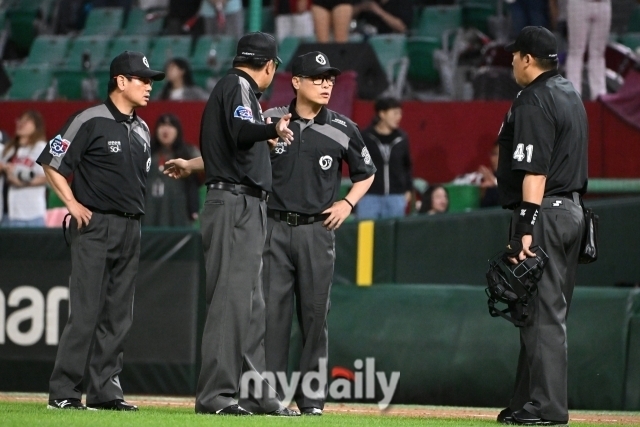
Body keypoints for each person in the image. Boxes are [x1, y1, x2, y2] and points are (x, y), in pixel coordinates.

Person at [163, 32, 299, 416]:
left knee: (251, 306)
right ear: (270, 65)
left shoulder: (235, 91)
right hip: (235, 204)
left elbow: (225, 148)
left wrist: (263, 137)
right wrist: (271, 130)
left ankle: (256, 394)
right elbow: (240, 133)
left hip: (245, 203)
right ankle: (217, 397)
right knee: (230, 302)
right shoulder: (238, 86)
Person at [37, 51, 165, 411]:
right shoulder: (88, 119)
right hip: (95, 225)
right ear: (120, 81)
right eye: (142, 79)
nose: (148, 86)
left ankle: (105, 391)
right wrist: (72, 205)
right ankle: (64, 392)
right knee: (86, 311)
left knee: (119, 315)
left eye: (150, 80)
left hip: (131, 226)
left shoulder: (141, 128)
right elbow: (52, 161)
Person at [262, 51, 376, 415]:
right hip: (274, 228)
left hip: (317, 229)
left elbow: (366, 171)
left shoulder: (342, 127)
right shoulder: (271, 120)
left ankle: (311, 401)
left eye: (330, 78)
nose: (327, 84)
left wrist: (348, 204)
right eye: (317, 78)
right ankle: (272, 399)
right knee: (271, 320)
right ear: (296, 82)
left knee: (314, 318)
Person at [494, 26, 587, 426]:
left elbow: (534, 170)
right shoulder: (569, 93)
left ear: (527, 58)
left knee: (542, 313)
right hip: (572, 212)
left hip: (544, 212)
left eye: (515, 55)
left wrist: (524, 228)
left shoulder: (534, 98)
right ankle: (525, 402)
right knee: (537, 309)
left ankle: (547, 407)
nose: (512, 61)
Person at [358, 96, 412, 219]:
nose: (399, 117)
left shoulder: (402, 138)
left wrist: (408, 189)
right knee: (366, 236)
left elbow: (407, 165)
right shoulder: (365, 137)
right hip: (369, 196)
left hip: (396, 196)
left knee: (392, 237)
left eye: (400, 113)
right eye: (395, 113)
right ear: (382, 114)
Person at [144, 113, 201, 227]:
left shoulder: (188, 153)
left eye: (170, 126)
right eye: (162, 125)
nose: (165, 129)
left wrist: (193, 209)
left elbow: (194, 185)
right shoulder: (146, 153)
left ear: (177, 131)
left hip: (177, 210)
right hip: (149, 209)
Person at [0, 111, 48, 228]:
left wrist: (22, 182)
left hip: (30, 214)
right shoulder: (8, 150)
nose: (21, 123)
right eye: (20, 120)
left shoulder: (40, 147)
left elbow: (48, 177)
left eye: (26, 121)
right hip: (7, 214)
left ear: (36, 126)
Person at [565, 0, 611, 99]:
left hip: (603, 3)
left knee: (598, 53)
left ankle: (600, 95)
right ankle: (573, 96)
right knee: (576, 52)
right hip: (579, 3)